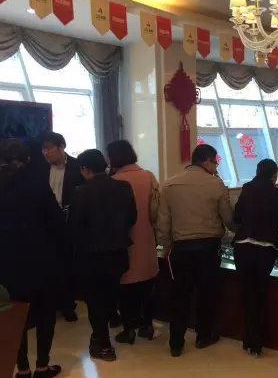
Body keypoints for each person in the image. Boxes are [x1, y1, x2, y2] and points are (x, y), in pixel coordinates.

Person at [0, 139, 65, 378]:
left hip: (5, 262)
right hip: (41, 260)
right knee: (45, 313)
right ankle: (42, 366)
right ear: (26, 159)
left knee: (14, 316)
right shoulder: (37, 184)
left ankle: (23, 370)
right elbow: (57, 223)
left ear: (0, 159)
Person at [157, 144, 237, 357]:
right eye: (215, 163)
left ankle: (176, 342)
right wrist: (238, 231)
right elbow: (228, 218)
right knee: (206, 294)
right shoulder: (216, 184)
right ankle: (203, 336)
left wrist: (165, 246)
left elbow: (163, 222)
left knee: (180, 296)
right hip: (208, 248)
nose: (216, 167)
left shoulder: (170, 184)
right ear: (207, 161)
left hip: (181, 249)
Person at [68, 149, 137, 362]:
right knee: (109, 297)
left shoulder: (81, 192)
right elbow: (132, 217)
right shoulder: (123, 187)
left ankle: (104, 345)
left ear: (84, 169)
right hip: (117, 254)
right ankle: (98, 338)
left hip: (91, 257)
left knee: (95, 302)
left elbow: (73, 227)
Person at [107, 140, 160, 345]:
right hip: (146, 239)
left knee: (125, 288)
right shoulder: (148, 176)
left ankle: (128, 329)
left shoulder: (113, 181)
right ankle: (147, 325)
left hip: (123, 242)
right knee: (147, 286)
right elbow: (157, 211)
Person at [233, 159, 278, 357]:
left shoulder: (247, 188)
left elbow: (236, 217)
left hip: (243, 246)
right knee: (260, 294)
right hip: (265, 248)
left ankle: (248, 340)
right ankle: (256, 343)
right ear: (274, 176)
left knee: (247, 294)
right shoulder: (276, 193)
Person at [41, 132, 85, 323]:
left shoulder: (78, 166)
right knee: (49, 265)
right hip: (46, 223)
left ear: (61, 147)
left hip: (70, 223)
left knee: (68, 265)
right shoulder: (40, 169)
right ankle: (52, 304)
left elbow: (85, 193)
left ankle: (68, 304)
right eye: (43, 149)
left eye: (49, 148)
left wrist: (74, 208)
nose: (45, 152)